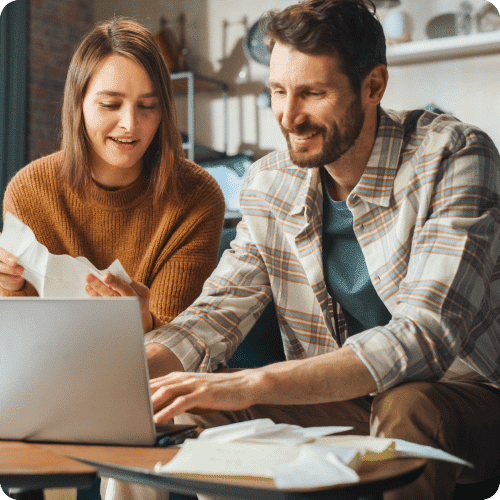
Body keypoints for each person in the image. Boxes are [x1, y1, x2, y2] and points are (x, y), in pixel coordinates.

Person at [142, 1, 500, 499]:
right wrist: (136, 367)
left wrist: (254, 383)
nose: (289, 117)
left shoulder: (454, 154)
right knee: (189, 400)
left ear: (373, 86)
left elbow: (424, 337)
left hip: (461, 396)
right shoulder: (270, 183)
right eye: (278, 92)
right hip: (341, 400)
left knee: (407, 404)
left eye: (313, 92)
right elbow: (217, 313)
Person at [0, 18, 225, 339]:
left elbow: (181, 342)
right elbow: (22, 336)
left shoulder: (197, 195)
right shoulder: (30, 190)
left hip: (159, 378)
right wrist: (12, 284)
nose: (130, 124)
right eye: (110, 104)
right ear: (78, 103)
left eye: (148, 106)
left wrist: (143, 321)